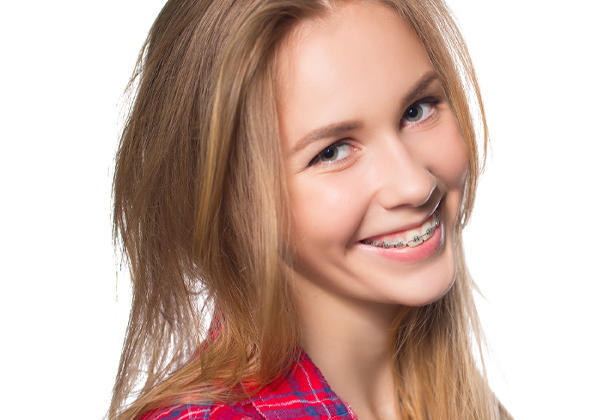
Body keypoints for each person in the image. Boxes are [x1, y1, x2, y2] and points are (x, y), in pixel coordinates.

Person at [109, 0, 511, 419]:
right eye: (333, 151)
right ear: (228, 199)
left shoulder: (460, 399)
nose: (416, 184)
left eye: (417, 110)